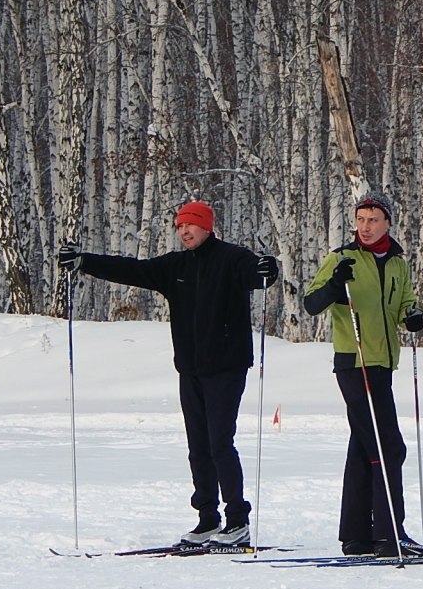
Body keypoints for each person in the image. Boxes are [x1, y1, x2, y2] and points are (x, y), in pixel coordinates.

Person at [58, 201, 279, 548]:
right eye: (179, 226)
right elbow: (132, 270)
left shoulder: (231, 258)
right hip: (190, 369)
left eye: (191, 225)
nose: (184, 231)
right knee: (198, 447)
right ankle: (208, 518)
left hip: (226, 366)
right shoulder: (175, 266)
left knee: (220, 443)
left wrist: (268, 269)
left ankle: (237, 521)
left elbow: (257, 274)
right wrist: (84, 261)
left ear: (207, 226)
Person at [303, 191, 423, 558]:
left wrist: (413, 316)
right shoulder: (341, 258)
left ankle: (357, 536)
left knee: (363, 446)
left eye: (373, 219)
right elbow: (312, 303)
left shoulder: (397, 263)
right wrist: (334, 287)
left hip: (383, 363)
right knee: (388, 445)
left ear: (388, 222)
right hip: (353, 361)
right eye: (361, 219)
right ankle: (391, 535)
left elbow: (404, 301)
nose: (366, 226)